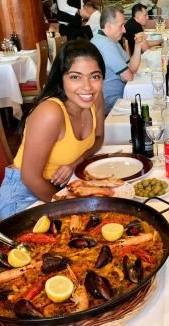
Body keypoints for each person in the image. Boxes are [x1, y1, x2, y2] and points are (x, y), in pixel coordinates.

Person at [0, 39, 105, 219]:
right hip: (23, 194)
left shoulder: (95, 98)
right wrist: (72, 210)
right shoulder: (51, 113)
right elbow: (30, 178)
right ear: (61, 78)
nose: (87, 87)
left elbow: (98, 139)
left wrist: (74, 163)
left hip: (61, 187)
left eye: (95, 76)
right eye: (75, 77)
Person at [91, 6, 144, 114]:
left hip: (119, 97)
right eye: (121, 26)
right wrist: (129, 72)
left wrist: (138, 45)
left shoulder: (111, 41)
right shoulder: (105, 45)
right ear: (108, 26)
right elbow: (128, 76)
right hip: (111, 104)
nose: (124, 30)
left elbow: (132, 68)